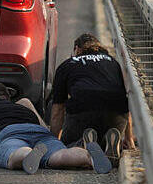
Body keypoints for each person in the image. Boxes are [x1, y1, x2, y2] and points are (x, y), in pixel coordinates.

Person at [0, 83, 114, 175]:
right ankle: (89, 157)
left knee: (13, 156)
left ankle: (28, 154)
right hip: (39, 132)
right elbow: (45, 128)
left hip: (9, 134)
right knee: (60, 155)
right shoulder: (21, 107)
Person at [50, 33, 135, 166]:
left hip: (83, 112)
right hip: (116, 114)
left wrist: (53, 142)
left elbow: (58, 109)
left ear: (77, 49)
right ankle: (111, 145)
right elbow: (125, 98)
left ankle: (81, 143)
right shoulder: (113, 63)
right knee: (106, 135)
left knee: (68, 145)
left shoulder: (67, 65)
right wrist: (129, 138)